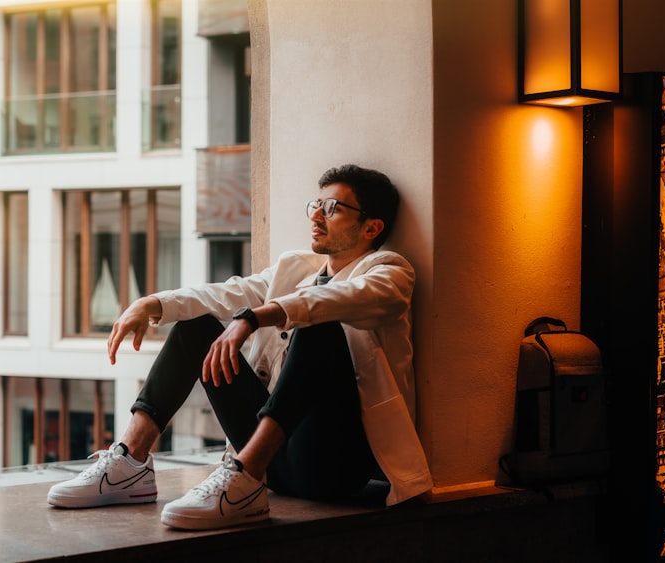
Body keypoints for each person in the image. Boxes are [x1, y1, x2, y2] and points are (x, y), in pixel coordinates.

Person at [47, 163, 432, 530]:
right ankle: (130, 463)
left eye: (332, 208)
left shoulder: (391, 272)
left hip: (335, 465)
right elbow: (226, 293)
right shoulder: (295, 269)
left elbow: (336, 299)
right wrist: (152, 304)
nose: (316, 216)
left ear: (372, 227)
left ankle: (245, 479)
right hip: (278, 464)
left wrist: (251, 319)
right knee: (195, 325)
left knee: (319, 327)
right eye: (316, 205)